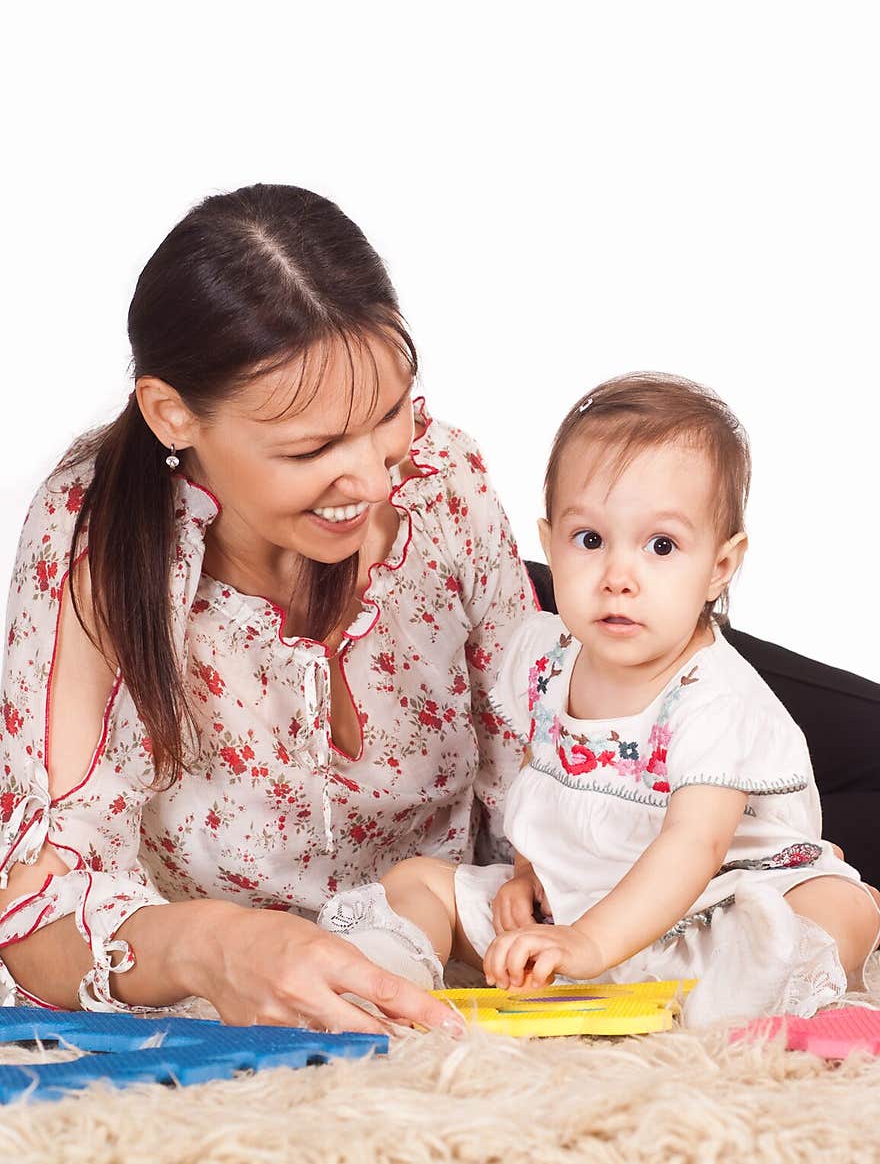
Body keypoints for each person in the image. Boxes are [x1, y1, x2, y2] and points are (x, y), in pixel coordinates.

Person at [0, 182, 540, 1034]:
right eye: (313, 446)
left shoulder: (438, 484)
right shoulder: (94, 547)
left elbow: (546, 769)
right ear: (172, 414)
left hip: (600, 633)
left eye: (391, 412)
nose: (371, 476)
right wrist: (211, 945)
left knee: (789, 800)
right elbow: (34, 914)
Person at [318, 374, 880, 1025]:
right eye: (589, 540)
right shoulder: (545, 656)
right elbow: (544, 784)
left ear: (720, 567)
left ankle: (719, 995)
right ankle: (382, 975)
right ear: (550, 539)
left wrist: (588, 943)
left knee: (836, 914)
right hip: (574, 898)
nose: (618, 577)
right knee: (417, 880)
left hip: (707, 900)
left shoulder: (716, 696)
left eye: (661, 546)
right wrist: (530, 872)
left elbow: (693, 846)